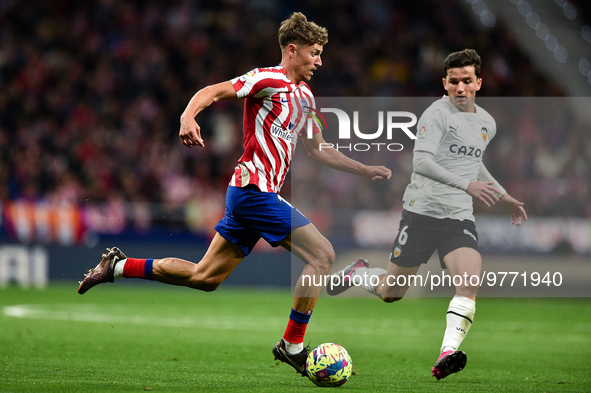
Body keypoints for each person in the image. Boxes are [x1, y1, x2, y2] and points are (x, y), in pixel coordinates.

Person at [77, 12, 391, 378]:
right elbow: (212, 91)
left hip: (252, 195)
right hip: (253, 190)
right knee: (323, 254)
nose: (320, 61)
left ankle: (116, 266)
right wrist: (187, 116)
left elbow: (320, 149)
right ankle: (292, 346)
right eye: (315, 53)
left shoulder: (306, 98)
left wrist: (364, 169)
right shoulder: (265, 79)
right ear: (293, 50)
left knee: (204, 278)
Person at [327, 49, 527, 380]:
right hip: (422, 214)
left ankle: (447, 351)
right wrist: (467, 185)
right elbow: (421, 162)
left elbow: (474, 162)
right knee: (391, 292)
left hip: (459, 218)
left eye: (467, 81)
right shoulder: (436, 115)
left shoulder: (486, 123)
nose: (460, 88)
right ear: (444, 83)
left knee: (468, 282)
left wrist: (503, 195)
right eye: (454, 82)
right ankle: (359, 272)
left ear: (479, 82)